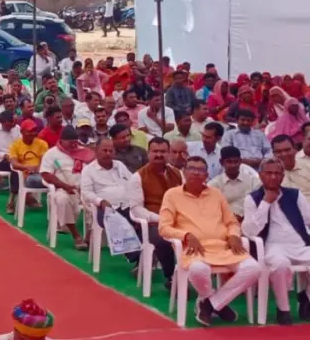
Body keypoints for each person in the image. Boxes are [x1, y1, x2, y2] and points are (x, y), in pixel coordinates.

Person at [159, 157, 262, 326]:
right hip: (194, 248)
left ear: (206, 175)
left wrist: (234, 235)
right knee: (198, 269)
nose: (195, 172)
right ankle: (215, 303)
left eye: (200, 170)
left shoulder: (215, 194)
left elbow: (231, 222)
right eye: (191, 168)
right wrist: (186, 235)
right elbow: (164, 228)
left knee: (253, 268)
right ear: (184, 172)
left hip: (223, 247)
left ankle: (210, 304)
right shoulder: (172, 195)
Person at [241, 158, 310, 325]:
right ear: (260, 175)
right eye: (269, 173)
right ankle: (283, 308)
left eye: (277, 173)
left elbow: (308, 220)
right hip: (272, 245)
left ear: (282, 176)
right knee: (280, 265)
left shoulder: (295, 195)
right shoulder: (252, 199)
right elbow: (250, 231)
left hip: (299, 242)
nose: (273, 177)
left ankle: (306, 297)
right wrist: (266, 203)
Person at [127, 137, 182, 289]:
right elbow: (137, 209)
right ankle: (170, 277)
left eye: (163, 151)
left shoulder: (178, 174)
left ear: (169, 153)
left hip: (179, 220)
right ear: (148, 153)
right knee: (163, 239)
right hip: (153, 222)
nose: (159, 155)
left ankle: (191, 275)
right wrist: (161, 219)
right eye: (155, 151)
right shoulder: (138, 177)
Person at [39, 126, 93, 249]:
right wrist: (64, 186)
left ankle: (89, 237)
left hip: (84, 189)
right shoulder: (52, 153)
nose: (74, 145)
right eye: (71, 142)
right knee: (62, 199)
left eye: (76, 142)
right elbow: (46, 174)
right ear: (62, 140)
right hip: (62, 189)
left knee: (97, 201)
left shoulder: (84, 151)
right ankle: (76, 236)